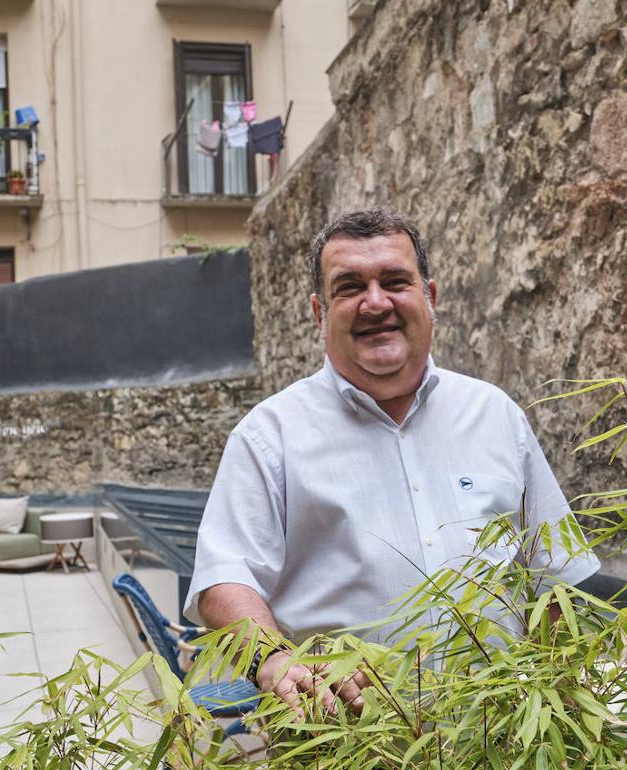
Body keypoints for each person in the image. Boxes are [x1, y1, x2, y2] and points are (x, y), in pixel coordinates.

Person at [183, 208, 600, 714]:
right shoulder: (269, 436)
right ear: (320, 312)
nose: (375, 302)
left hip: (504, 735)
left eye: (396, 281)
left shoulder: (496, 415)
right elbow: (223, 578)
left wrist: (566, 709)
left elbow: (550, 576)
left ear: (431, 298)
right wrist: (273, 660)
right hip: (348, 740)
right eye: (350, 287)